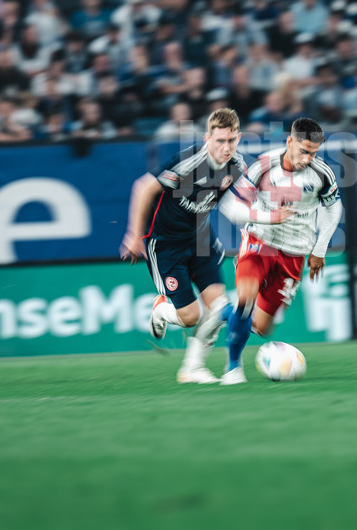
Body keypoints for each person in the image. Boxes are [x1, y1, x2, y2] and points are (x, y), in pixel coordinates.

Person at [120, 109, 289, 384]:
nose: (226, 147)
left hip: (200, 238)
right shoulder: (188, 162)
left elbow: (234, 206)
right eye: (220, 141)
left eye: (231, 141)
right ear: (207, 138)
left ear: (239, 138)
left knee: (217, 306)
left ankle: (192, 368)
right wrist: (133, 235)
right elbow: (143, 188)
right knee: (190, 317)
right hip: (165, 243)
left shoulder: (236, 165)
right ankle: (162, 310)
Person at [220, 118, 343, 385]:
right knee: (246, 299)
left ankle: (220, 312)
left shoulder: (322, 174)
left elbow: (334, 208)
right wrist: (269, 217)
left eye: (314, 152)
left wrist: (320, 249)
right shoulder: (264, 166)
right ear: (290, 141)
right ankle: (233, 368)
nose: (307, 158)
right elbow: (231, 207)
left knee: (261, 327)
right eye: (303, 150)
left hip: (295, 253)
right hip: (259, 241)